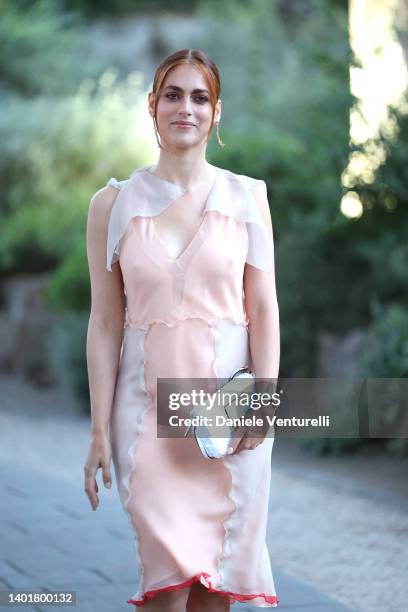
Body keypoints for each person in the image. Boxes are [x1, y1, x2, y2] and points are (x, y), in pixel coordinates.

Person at [84, 48, 280, 611]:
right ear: (152, 105)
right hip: (146, 416)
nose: (185, 108)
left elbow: (264, 309)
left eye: (200, 97)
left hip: (229, 413)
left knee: (215, 593)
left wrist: (263, 402)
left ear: (216, 112)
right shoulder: (111, 204)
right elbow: (104, 323)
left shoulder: (248, 197)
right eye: (173, 94)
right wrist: (98, 429)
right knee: (167, 588)